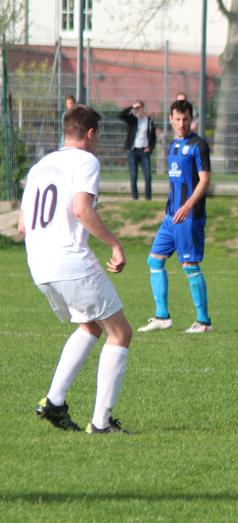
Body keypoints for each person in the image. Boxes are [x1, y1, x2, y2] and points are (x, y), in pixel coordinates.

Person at [19, 105, 134, 434]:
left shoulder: (40, 166)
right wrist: (115, 244)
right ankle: (101, 423)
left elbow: (23, 225)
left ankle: (54, 402)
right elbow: (81, 209)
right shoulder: (86, 161)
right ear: (91, 133)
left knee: (91, 326)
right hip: (69, 259)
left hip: (37, 264)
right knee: (120, 332)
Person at [138, 99, 212, 334]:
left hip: (189, 216)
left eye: (186, 119)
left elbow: (205, 180)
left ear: (192, 119)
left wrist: (188, 206)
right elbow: (175, 183)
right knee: (154, 260)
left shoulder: (199, 145)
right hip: (171, 217)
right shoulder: (172, 146)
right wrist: (170, 209)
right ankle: (162, 317)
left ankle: (204, 322)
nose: (182, 124)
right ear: (170, 119)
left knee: (189, 264)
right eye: (178, 119)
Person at [118, 100, 157, 201]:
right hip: (132, 151)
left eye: (139, 107)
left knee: (148, 175)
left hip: (144, 151)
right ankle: (135, 197)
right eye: (136, 108)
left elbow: (153, 136)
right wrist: (131, 106)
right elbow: (120, 115)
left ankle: (148, 198)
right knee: (134, 174)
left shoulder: (149, 121)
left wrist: (150, 148)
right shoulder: (132, 119)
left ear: (143, 108)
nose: (138, 110)